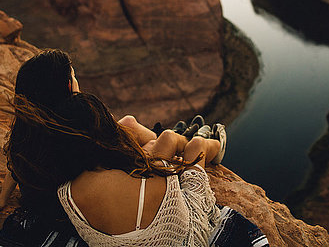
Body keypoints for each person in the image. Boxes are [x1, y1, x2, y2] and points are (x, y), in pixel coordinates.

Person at [0, 49, 178, 245]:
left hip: (56, 209)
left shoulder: (29, 131)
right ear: (68, 85)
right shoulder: (75, 128)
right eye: (74, 77)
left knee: (129, 123)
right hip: (81, 217)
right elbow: (120, 157)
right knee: (155, 140)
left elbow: (15, 164)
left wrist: (1, 200)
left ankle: (167, 134)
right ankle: (178, 136)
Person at [24, 92, 224, 246]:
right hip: (186, 239)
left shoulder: (65, 193)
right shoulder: (151, 178)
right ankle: (215, 140)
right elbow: (172, 181)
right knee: (196, 146)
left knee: (164, 140)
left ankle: (184, 136)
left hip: (138, 223)